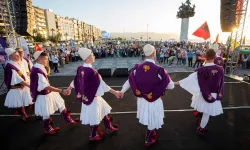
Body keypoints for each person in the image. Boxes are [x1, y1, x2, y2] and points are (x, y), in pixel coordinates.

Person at [119, 44, 175, 147]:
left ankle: (150, 133)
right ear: (154, 53)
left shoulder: (136, 68)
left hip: (141, 99)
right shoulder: (160, 70)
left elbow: (129, 81)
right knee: (153, 117)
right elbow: (171, 86)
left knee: (148, 116)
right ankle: (148, 139)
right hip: (155, 99)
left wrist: (122, 91)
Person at [65, 48, 120, 141]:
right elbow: (103, 85)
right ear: (87, 58)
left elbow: (75, 80)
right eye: (92, 55)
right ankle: (93, 135)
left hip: (86, 97)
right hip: (93, 98)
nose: (94, 56)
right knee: (95, 117)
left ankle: (108, 126)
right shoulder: (93, 72)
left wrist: (69, 88)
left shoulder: (80, 68)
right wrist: (116, 93)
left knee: (103, 111)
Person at [174, 49, 224, 136]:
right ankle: (202, 127)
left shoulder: (201, 70)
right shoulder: (220, 69)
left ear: (205, 56)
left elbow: (189, 79)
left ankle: (201, 126)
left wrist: (175, 83)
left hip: (203, 94)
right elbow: (221, 83)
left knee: (203, 109)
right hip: (214, 94)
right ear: (215, 57)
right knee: (206, 113)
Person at [30, 51, 79, 135]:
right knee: (46, 112)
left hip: (46, 92)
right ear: (38, 59)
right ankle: (47, 128)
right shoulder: (38, 70)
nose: (47, 60)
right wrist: (61, 90)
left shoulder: (39, 67)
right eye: (45, 59)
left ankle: (67, 118)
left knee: (60, 102)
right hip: (43, 94)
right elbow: (44, 86)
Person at [4, 48, 32, 121]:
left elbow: (24, 74)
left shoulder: (18, 63)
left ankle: (23, 113)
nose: (18, 56)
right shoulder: (10, 66)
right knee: (19, 102)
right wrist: (29, 85)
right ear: (10, 57)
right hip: (17, 87)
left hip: (23, 86)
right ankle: (23, 115)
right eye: (16, 55)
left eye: (18, 55)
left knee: (22, 101)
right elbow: (18, 79)